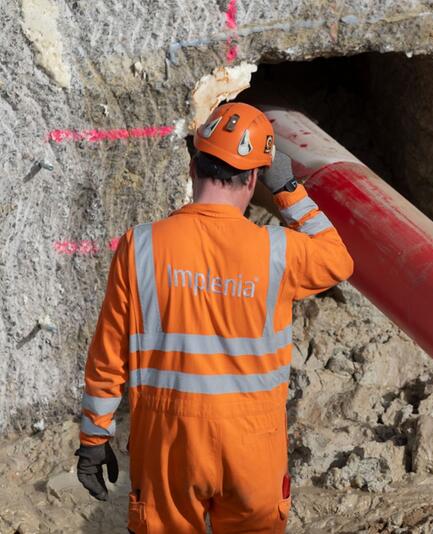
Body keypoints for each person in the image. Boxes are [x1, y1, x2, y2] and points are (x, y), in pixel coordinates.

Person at [74, 102, 354, 533]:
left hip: (168, 443)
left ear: (193, 167)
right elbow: (338, 260)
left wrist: (95, 438)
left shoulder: (140, 247)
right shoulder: (279, 252)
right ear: (255, 177)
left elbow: (108, 356)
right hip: (253, 446)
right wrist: (289, 190)